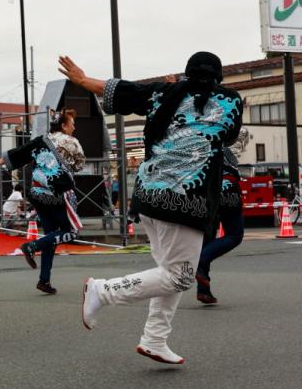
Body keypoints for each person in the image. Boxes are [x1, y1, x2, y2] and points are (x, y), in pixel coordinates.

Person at [60, 52, 243, 365]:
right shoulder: (229, 101)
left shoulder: (163, 93)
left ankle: (155, 339)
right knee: (180, 276)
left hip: (148, 195)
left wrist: (82, 80)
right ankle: (103, 291)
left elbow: (121, 90)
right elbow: (229, 135)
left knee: (169, 271)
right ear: (218, 77)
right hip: (184, 201)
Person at [0, 108, 86, 295]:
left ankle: (44, 280)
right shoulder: (72, 142)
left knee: (50, 236)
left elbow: (19, 153)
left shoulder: (41, 141)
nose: (74, 127)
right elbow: (79, 165)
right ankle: (31, 246)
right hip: (58, 195)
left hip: (37, 194)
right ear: (63, 126)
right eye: (72, 124)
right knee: (71, 232)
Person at [195, 147, 245, 305]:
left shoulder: (194, 146)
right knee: (234, 235)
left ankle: (204, 290)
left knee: (207, 240)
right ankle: (199, 262)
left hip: (202, 192)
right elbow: (232, 165)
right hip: (226, 188)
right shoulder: (220, 144)